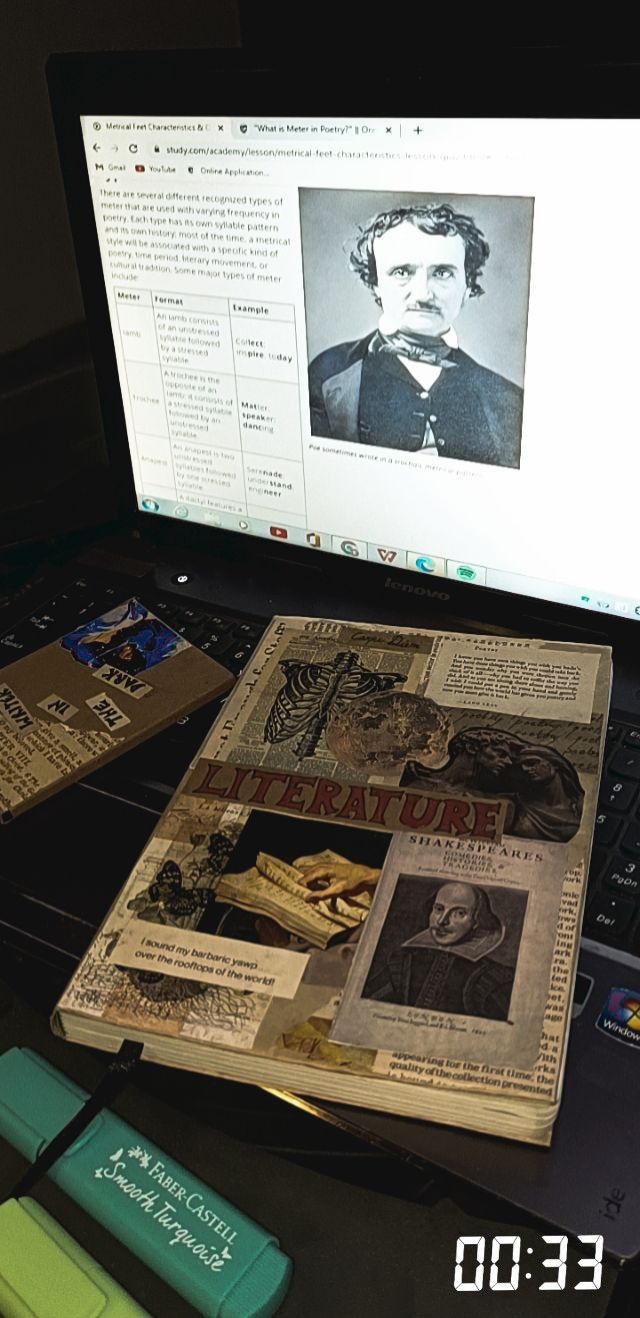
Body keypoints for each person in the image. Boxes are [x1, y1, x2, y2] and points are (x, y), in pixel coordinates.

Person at [308, 202, 523, 466]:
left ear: (468, 286)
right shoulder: (328, 377)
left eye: (442, 273)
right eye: (402, 272)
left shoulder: (507, 402)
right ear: (375, 283)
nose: (423, 294)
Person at [363, 880, 515, 1020]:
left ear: (476, 921)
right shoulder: (402, 961)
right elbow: (367, 1010)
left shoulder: (490, 979)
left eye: (459, 913)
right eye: (439, 909)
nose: (442, 921)